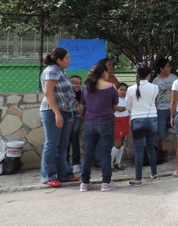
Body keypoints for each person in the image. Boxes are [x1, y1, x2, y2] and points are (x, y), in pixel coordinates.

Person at [39, 47, 79, 188]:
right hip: (52, 112)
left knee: (63, 144)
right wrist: (57, 113)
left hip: (65, 111)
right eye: (67, 58)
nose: (69, 60)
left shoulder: (61, 71)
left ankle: (65, 174)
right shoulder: (51, 71)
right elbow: (48, 94)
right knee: (52, 144)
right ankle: (48, 175)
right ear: (59, 60)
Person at [80, 61, 119, 192]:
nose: (109, 73)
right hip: (106, 122)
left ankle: (84, 183)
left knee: (87, 153)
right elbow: (114, 107)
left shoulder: (86, 87)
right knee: (105, 153)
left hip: (89, 122)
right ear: (104, 72)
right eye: (108, 71)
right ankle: (106, 182)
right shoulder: (111, 87)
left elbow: (84, 105)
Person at [125, 64, 160, 186]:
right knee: (151, 147)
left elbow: (127, 106)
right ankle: (154, 174)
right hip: (152, 119)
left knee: (139, 150)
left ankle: (138, 179)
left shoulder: (131, 89)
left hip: (137, 120)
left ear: (137, 75)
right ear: (149, 75)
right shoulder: (155, 87)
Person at [152, 58, 177, 158]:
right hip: (161, 109)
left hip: (173, 108)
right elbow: (154, 97)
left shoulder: (174, 78)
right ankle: (162, 153)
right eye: (167, 66)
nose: (170, 68)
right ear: (161, 69)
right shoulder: (156, 81)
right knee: (161, 132)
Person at [112, 83, 129, 171]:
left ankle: (118, 162)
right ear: (117, 90)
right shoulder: (115, 99)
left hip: (125, 120)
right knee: (117, 144)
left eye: (125, 90)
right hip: (117, 121)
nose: (123, 92)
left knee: (122, 143)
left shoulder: (126, 99)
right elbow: (119, 109)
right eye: (121, 90)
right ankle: (109, 163)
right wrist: (128, 105)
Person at [69, 75, 84, 174]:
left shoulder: (81, 94)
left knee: (74, 136)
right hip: (69, 116)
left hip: (78, 116)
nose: (77, 85)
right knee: (66, 138)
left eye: (79, 83)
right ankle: (65, 162)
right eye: (74, 83)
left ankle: (76, 163)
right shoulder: (67, 93)